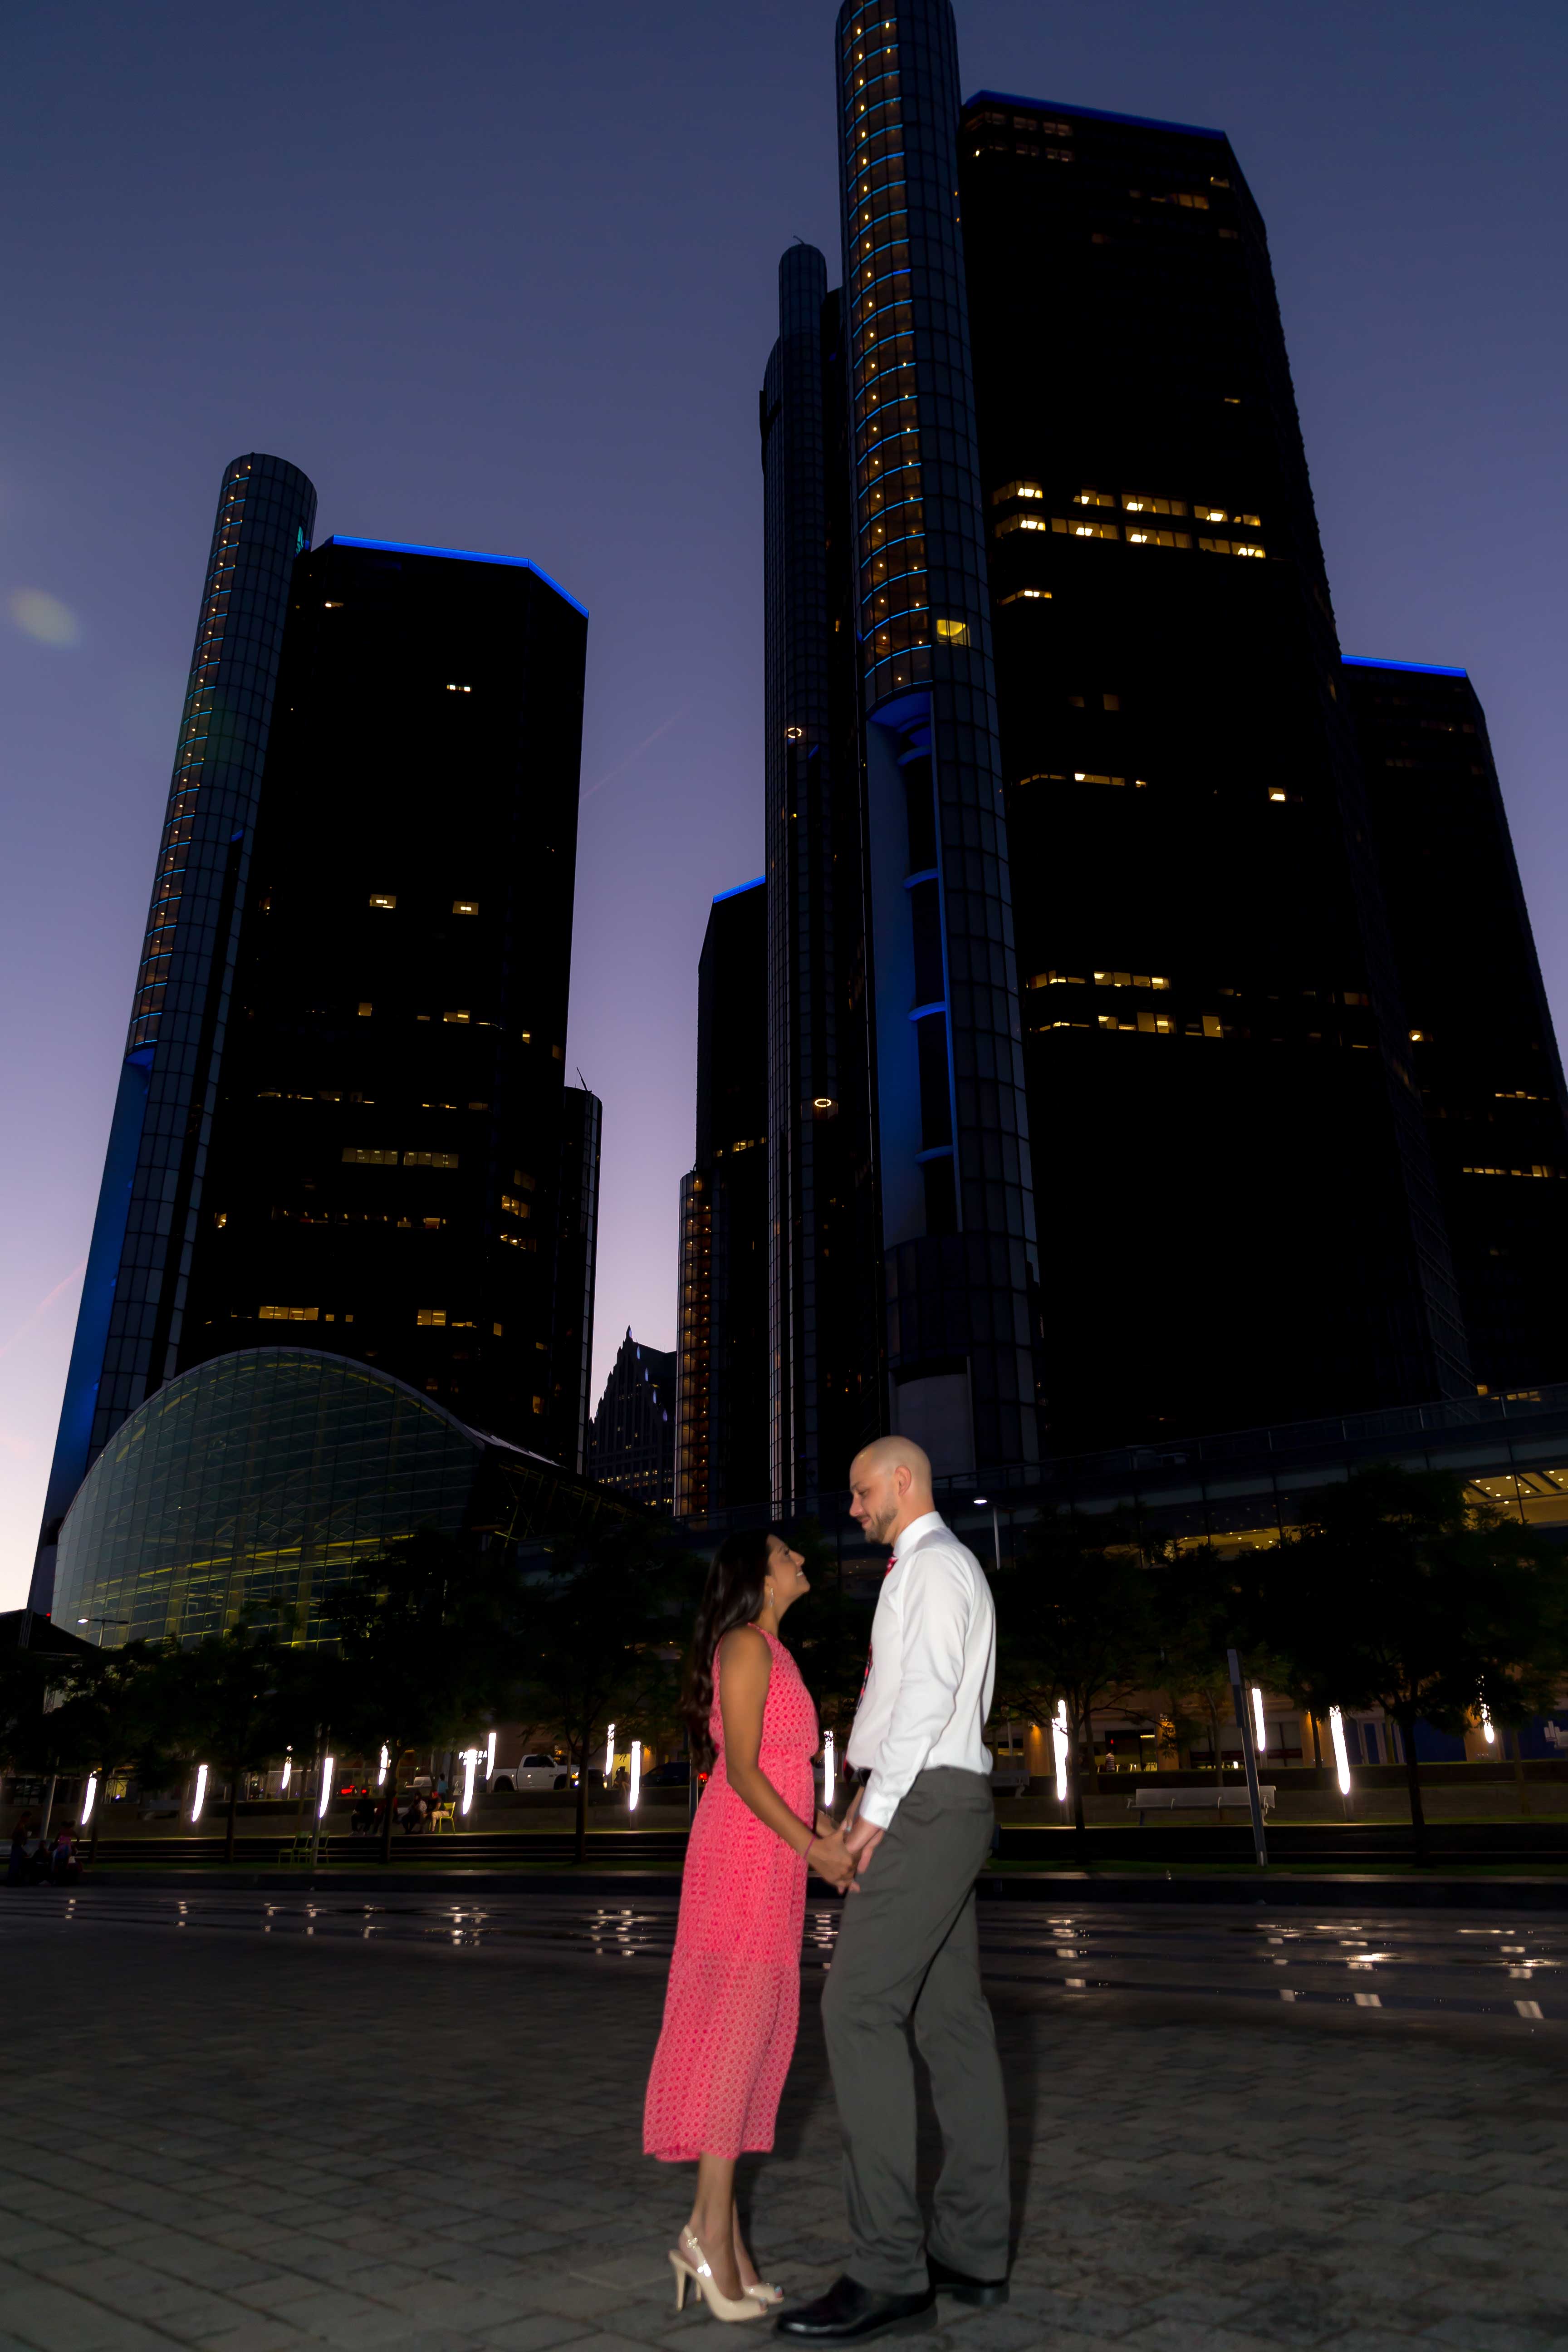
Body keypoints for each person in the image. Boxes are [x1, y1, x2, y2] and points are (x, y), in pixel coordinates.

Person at [779, 1436, 1010, 2346]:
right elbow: (909, 1701)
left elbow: (927, 1698)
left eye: (860, 1489)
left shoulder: (936, 1566)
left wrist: (875, 1813)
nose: (853, 1507)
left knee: (856, 2009)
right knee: (952, 2023)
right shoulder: (931, 1568)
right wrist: (870, 1798)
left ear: (902, 1481)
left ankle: (887, 2269)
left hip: (925, 1801)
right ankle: (972, 2251)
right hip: (935, 1797)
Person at [643, 1526, 857, 2323]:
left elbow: (784, 1771)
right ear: (760, 1579)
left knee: (749, 2032)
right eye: (785, 1553)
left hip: (770, 1858)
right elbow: (739, 1770)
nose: (799, 1558)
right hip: (743, 1856)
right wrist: (812, 1846)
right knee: (734, 2034)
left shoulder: (777, 1652)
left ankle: (723, 2242)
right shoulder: (743, 1644)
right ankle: (707, 2236)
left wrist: (832, 1835)